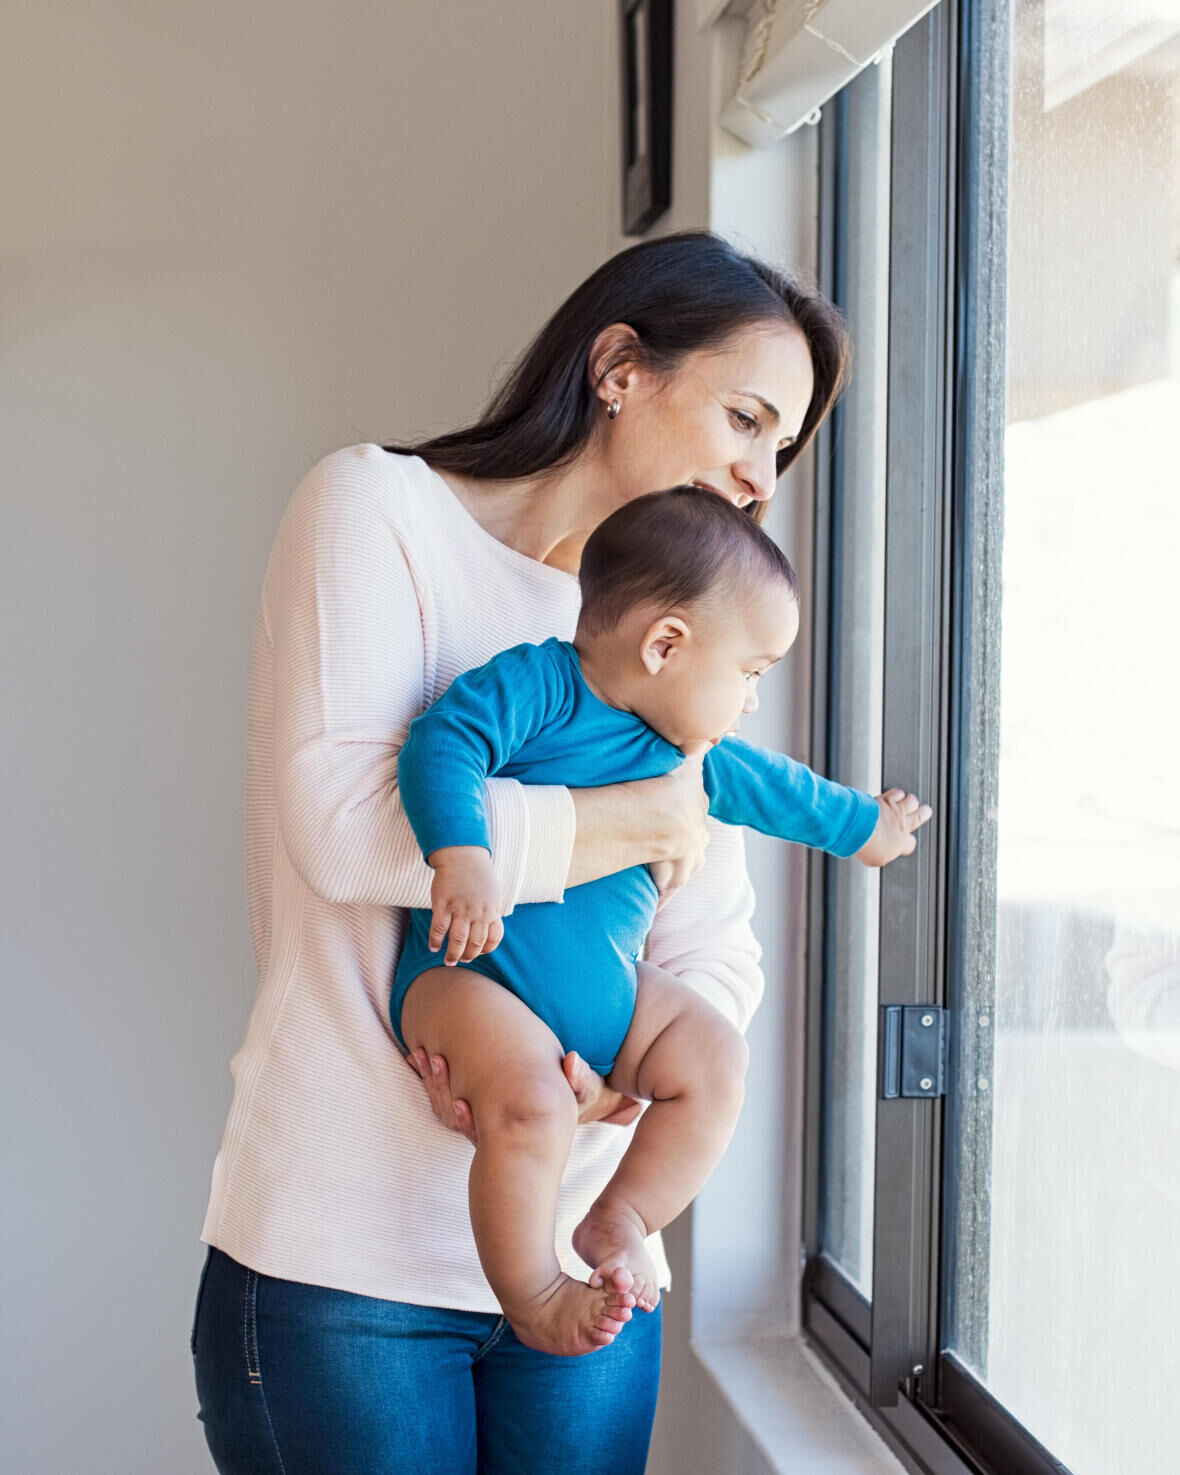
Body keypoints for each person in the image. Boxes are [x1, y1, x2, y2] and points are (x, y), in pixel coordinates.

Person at [193, 230, 854, 1475]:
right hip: (346, 1257)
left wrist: (622, 1067)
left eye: (782, 448)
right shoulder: (374, 509)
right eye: (747, 418)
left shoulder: (672, 627)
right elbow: (343, 824)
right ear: (620, 368)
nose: (762, 477)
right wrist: (637, 823)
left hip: (593, 1259)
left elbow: (711, 943)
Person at [392, 486, 931, 1357]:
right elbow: (442, 743)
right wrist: (464, 854)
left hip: (607, 998)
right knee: (530, 1103)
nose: (752, 700)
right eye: (750, 673)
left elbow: (784, 790)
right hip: (471, 976)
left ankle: (619, 1216)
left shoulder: (689, 755)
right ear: (667, 644)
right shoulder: (540, 685)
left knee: (717, 1057)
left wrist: (870, 827)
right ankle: (532, 1293)